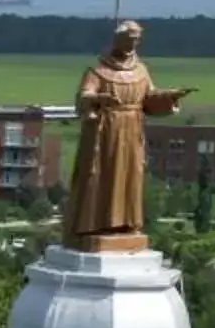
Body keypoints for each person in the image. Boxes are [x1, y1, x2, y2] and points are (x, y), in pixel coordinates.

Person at [65, 19, 192, 248]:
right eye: (130, 39)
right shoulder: (98, 70)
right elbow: (83, 96)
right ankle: (96, 224)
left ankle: (126, 222)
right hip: (105, 133)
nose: (134, 44)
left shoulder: (141, 70)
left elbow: (148, 98)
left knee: (130, 174)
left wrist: (170, 96)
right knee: (103, 175)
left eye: (137, 40)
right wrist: (100, 99)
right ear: (119, 40)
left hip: (132, 130)